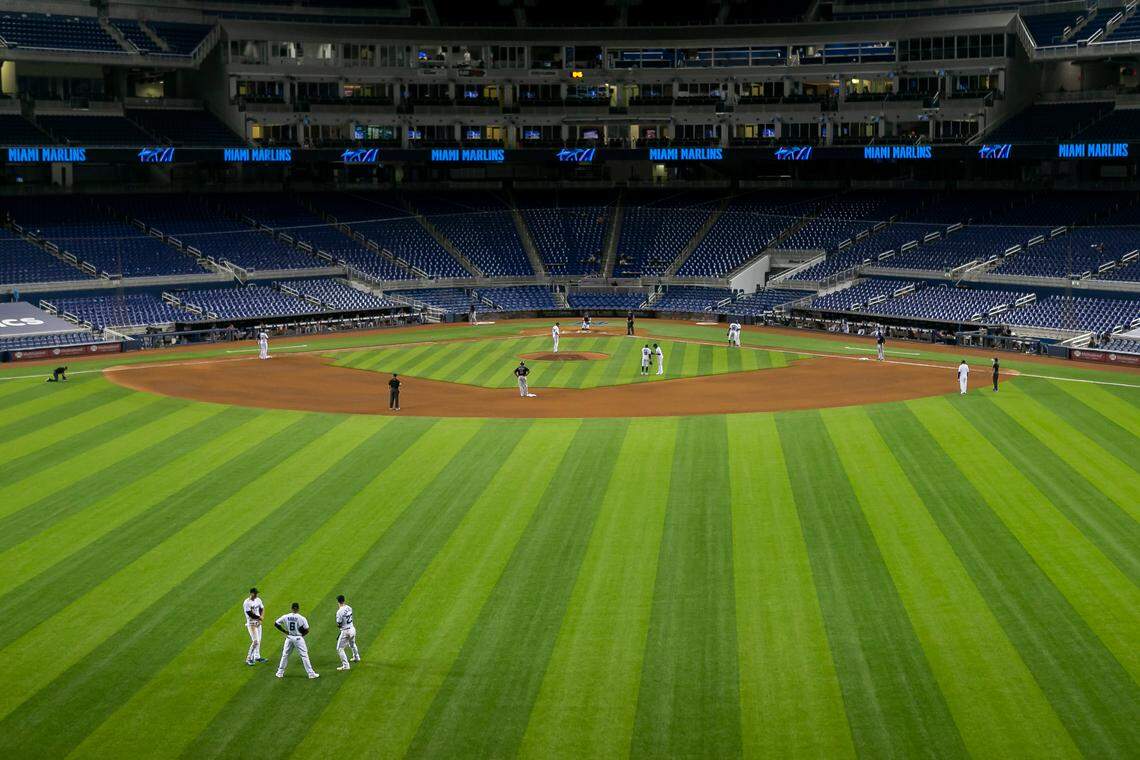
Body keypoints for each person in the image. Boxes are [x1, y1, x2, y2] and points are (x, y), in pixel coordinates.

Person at [275, 602, 319, 679]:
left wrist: (285, 631)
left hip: (289, 638)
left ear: (291, 609)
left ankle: (280, 672)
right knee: (304, 655)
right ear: (298, 609)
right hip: (298, 638)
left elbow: (276, 623)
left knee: (285, 655)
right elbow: (307, 630)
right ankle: (311, 674)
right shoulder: (301, 618)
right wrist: (301, 635)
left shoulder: (286, 616)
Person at [334, 594, 360, 671]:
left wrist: (340, 627)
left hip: (345, 631)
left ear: (338, 602)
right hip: (352, 628)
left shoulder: (339, 612)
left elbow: (339, 623)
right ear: (344, 600)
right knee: (352, 644)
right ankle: (356, 657)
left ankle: (346, 665)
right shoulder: (349, 608)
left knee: (340, 649)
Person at [243, 588, 267, 666]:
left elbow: (262, 608)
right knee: (255, 641)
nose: (256, 594)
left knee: (259, 640)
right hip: (251, 624)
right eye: (255, 593)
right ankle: (248, 659)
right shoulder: (247, 603)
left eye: (257, 593)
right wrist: (259, 618)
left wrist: (261, 618)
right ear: (251, 593)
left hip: (258, 623)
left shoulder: (258, 600)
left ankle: (257, 657)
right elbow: (250, 614)